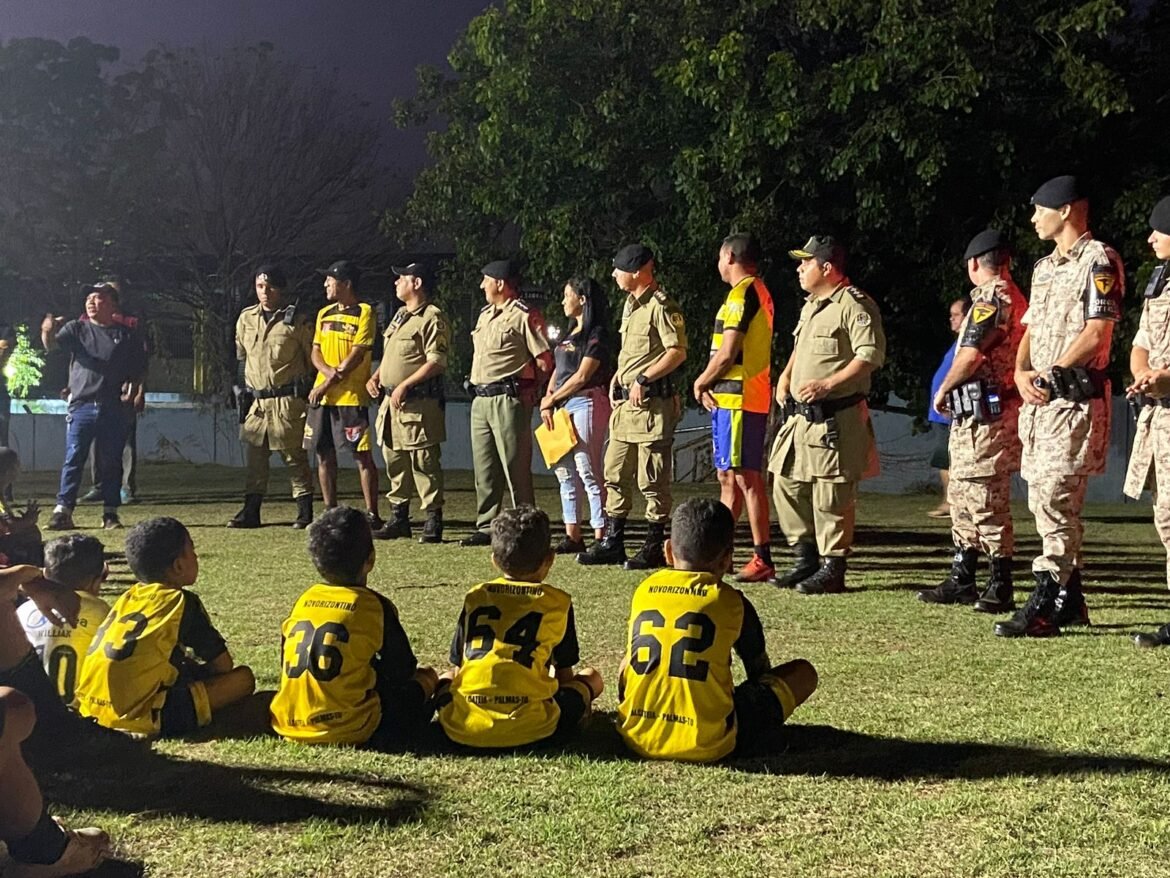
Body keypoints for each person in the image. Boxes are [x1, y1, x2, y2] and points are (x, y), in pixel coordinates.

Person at [996, 175, 1123, 638]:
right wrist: (1019, 371)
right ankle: (1072, 599)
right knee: (1043, 499)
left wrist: (1050, 373)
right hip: (1041, 403)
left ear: (1066, 210)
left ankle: (1047, 598)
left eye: (1039, 209)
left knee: (1053, 497)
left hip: (1071, 401)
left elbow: (1096, 332)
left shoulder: (1100, 260)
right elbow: (1031, 328)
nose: (1033, 218)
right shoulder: (1045, 267)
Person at [616, 498, 817, 762]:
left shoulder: (644, 590)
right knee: (804, 672)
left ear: (668, 551)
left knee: (628, 658)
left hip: (636, 738)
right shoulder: (732, 601)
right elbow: (759, 672)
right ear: (727, 560)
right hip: (710, 744)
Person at [767, 236, 886, 594]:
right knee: (785, 482)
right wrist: (786, 376)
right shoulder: (812, 305)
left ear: (827, 268)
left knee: (830, 495)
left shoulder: (854, 304)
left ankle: (833, 567)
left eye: (806, 262)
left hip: (836, 418)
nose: (799, 268)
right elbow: (800, 347)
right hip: (801, 418)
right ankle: (806, 560)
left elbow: (870, 355)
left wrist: (828, 383)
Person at [917, 230, 1027, 613]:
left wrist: (943, 389)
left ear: (974, 263)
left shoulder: (991, 297)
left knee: (985, 496)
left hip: (988, 417)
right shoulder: (1009, 296)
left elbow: (972, 354)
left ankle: (1001, 581)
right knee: (962, 494)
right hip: (975, 415)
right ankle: (963, 576)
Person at [270, 506, 439, 746]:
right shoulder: (373, 605)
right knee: (425, 679)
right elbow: (402, 669)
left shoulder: (303, 600)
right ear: (370, 559)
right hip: (352, 727)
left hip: (289, 723)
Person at [438, 506, 603, 748]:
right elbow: (565, 675)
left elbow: (458, 667)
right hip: (534, 727)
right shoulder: (557, 602)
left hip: (464, 724)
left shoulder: (476, 597)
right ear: (550, 559)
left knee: (442, 677)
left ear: (494, 561)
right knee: (592, 678)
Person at [74, 517, 256, 737]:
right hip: (143, 714)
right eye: (192, 550)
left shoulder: (129, 597)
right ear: (179, 565)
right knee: (243, 679)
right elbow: (223, 665)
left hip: (92, 708)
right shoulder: (180, 601)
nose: (196, 556)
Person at [578, 244, 687, 570]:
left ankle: (654, 544)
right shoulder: (630, 305)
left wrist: (643, 377)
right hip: (626, 405)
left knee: (652, 479)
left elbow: (677, 351)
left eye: (619, 268)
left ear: (639, 271)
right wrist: (619, 379)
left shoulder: (662, 306)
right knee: (614, 471)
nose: (613, 274)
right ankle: (613, 541)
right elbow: (634, 352)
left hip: (652, 405)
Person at [692, 233, 776, 582]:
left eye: (719, 257)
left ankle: (762, 557)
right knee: (728, 476)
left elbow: (728, 353)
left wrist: (701, 380)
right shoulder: (749, 292)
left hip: (741, 399)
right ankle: (720, 552)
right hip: (731, 399)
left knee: (745, 477)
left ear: (728, 256)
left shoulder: (744, 293)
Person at [41, 283, 148, 531]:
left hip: (112, 406)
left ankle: (110, 513)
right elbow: (52, 346)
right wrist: (47, 331)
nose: (91, 302)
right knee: (74, 457)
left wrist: (132, 392)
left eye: (98, 298)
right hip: (82, 405)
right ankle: (63, 510)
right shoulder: (77, 329)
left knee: (111, 461)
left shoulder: (126, 336)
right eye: (88, 298)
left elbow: (139, 369)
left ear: (112, 304)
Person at [461, 260, 553, 547]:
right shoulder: (485, 315)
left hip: (509, 398)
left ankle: (525, 524)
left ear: (500, 283)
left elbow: (544, 360)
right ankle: (487, 525)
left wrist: (535, 390)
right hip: (481, 399)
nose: (481, 286)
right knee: (484, 467)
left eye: (485, 280)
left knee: (516, 466)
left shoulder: (524, 315)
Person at [366, 263, 450, 544]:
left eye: (401, 278)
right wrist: (378, 376)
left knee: (423, 461)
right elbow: (393, 353)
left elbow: (436, 361)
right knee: (395, 460)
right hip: (392, 404)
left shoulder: (431, 316)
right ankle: (399, 517)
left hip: (418, 404)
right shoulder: (400, 315)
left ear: (416, 283)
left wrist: (405, 384)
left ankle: (432, 519)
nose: (395, 283)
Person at [228, 265, 316, 530]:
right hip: (256, 402)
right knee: (255, 459)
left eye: (270, 287)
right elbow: (241, 356)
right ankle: (251, 511)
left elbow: (312, 359)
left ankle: (304, 511)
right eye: (260, 287)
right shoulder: (246, 318)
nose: (264, 293)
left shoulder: (297, 321)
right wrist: (240, 389)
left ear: (282, 289)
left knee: (294, 458)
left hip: (286, 400)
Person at [304, 260, 381, 529]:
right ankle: (329, 510)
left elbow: (357, 355)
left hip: (350, 397)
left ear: (346, 283)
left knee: (361, 455)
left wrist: (326, 382)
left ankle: (372, 513)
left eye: (330, 279)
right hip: (322, 398)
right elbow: (315, 351)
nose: (325, 284)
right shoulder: (323, 313)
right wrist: (325, 375)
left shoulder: (365, 312)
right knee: (323, 454)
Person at [540, 276, 612, 554]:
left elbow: (583, 375)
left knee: (588, 469)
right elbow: (559, 371)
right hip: (562, 407)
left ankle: (600, 534)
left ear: (582, 299)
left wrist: (554, 398)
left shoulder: (596, 334)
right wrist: (549, 399)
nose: (562, 300)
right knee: (565, 472)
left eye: (567, 295)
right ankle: (573, 535)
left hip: (586, 402)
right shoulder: (570, 333)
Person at [1126, 198, 1170, 647]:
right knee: (1167, 519)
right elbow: (1141, 341)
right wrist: (1144, 374)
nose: (1151, 238)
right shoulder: (1161, 282)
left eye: (1159, 229)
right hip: (1159, 420)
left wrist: (1166, 378)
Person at [17, 534, 110, 704]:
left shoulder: (23, 611)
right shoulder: (101, 611)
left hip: (30, 709)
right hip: (84, 712)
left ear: (44, 573)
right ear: (97, 581)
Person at [78, 279, 144, 506]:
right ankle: (98, 485)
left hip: (122, 391)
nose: (98, 300)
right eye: (95, 296)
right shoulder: (85, 323)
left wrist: (139, 390)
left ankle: (126, 487)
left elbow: (140, 362)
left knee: (125, 440)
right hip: (93, 393)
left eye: (105, 295)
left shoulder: (130, 324)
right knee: (96, 440)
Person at [925, 298, 971, 519]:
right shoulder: (958, 343)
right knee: (943, 459)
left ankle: (951, 503)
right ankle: (950, 502)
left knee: (946, 459)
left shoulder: (967, 344)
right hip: (941, 413)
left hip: (949, 412)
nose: (951, 318)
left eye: (956, 314)